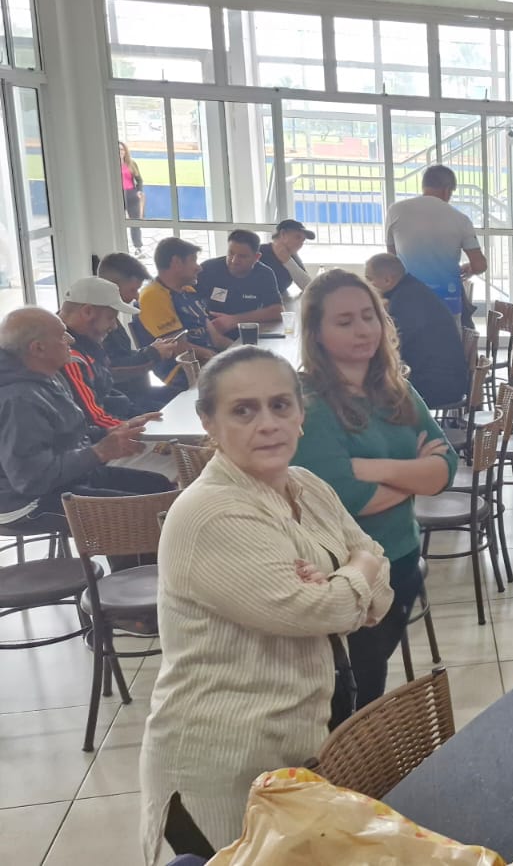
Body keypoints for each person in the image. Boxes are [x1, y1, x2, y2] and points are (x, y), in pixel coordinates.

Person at [139, 345, 393, 863]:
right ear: (209, 423)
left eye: (280, 405)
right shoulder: (211, 513)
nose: (268, 423)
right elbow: (321, 610)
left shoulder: (308, 486)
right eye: (243, 410)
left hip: (299, 741)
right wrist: (357, 569)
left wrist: (351, 577)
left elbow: (380, 585)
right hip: (223, 760)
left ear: (300, 414)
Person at [291, 268, 458, 708]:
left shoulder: (396, 389)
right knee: (352, 695)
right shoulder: (310, 405)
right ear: (316, 332)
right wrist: (415, 473)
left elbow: (446, 469)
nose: (363, 330)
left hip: (402, 559)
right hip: (346, 575)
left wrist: (374, 467)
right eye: (344, 321)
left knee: (371, 679)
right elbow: (348, 500)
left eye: (369, 316)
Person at [0, 307, 171, 537]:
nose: (70, 340)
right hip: (25, 501)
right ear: (38, 348)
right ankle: (133, 560)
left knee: (159, 488)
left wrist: (114, 430)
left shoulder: (45, 375)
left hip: (64, 479)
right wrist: (98, 452)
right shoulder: (18, 399)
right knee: (145, 516)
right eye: (61, 335)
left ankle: (136, 555)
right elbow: (31, 479)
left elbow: (69, 433)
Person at [364, 253, 470, 409]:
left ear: (387, 280)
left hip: (439, 386)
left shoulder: (405, 300)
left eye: (369, 279)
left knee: (371, 392)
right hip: (447, 380)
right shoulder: (410, 290)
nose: (367, 286)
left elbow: (393, 347)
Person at [383, 165, 488, 320]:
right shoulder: (461, 219)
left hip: (408, 300)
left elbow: (391, 259)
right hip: (447, 302)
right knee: (447, 335)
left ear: (424, 186)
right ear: (447, 190)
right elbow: (480, 265)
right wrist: (470, 269)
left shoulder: (395, 211)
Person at [93, 253, 185, 411]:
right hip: (124, 403)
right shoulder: (95, 323)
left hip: (139, 394)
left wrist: (153, 349)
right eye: (133, 289)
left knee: (188, 398)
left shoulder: (109, 318)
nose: (136, 296)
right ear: (113, 286)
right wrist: (152, 353)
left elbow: (122, 356)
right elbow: (111, 370)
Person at [135, 237, 230, 388]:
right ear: (176, 262)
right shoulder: (153, 296)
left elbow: (216, 337)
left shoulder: (187, 290)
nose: (199, 268)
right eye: (193, 260)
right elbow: (177, 346)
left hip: (209, 363)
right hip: (183, 372)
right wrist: (217, 359)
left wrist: (243, 350)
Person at [60, 277, 143, 430]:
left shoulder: (87, 345)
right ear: (87, 312)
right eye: (111, 318)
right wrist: (138, 427)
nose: (114, 326)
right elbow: (93, 419)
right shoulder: (68, 356)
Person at [196, 229, 285, 337]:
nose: (234, 261)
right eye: (231, 253)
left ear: (256, 257)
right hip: (209, 332)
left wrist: (234, 320)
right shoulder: (208, 269)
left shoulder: (264, 274)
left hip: (246, 333)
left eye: (242, 256)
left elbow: (277, 311)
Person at [258, 219, 315, 296]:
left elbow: (309, 288)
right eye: (298, 237)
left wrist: (287, 261)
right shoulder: (258, 252)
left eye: (303, 240)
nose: (301, 243)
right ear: (283, 234)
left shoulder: (293, 257)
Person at [118, 141, 145, 256]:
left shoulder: (131, 163)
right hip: (117, 195)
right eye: (118, 150)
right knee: (117, 221)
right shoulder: (111, 165)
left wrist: (139, 191)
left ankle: (138, 247)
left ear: (125, 151)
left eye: (122, 149)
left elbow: (139, 180)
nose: (120, 152)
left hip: (131, 194)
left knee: (135, 222)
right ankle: (119, 247)